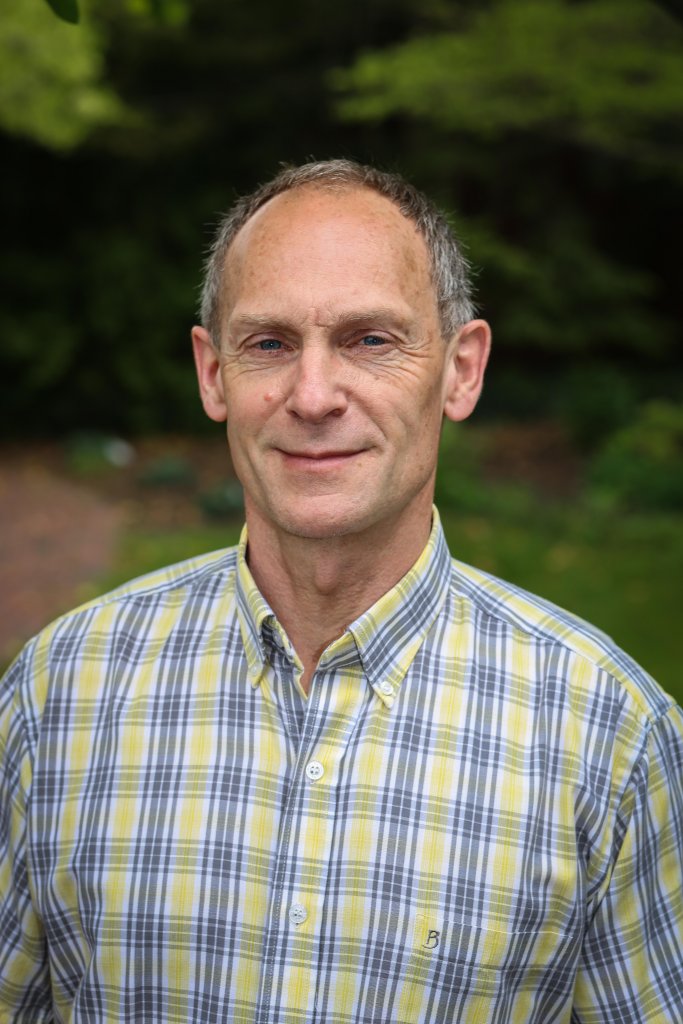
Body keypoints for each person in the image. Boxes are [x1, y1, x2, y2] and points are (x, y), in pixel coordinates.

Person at [1, 159, 681, 1024]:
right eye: (269, 344)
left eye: (369, 339)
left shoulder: (609, 737)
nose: (313, 396)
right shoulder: (61, 693)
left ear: (461, 370)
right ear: (213, 374)